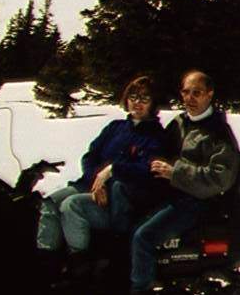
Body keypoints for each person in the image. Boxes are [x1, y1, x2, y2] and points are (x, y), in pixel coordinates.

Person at [109, 69, 240, 295]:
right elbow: (157, 150)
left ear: (210, 94)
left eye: (196, 93)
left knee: (143, 237)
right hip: (172, 194)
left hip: (198, 201)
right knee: (123, 210)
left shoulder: (217, 133)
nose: (189, 98)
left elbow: (220, 179)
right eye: (185, 92)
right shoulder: (180, 123)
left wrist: (175, 172)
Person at [36, 74, 168, 280]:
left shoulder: (156, 136)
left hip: (120, 200)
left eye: (145, 98)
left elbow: (145, 169)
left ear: (154, 103)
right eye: (133, 97)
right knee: (50, 203)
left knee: (71, 206)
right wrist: (97, 183)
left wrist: (114, 170)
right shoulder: (115, 127)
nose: (137, 103)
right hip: (91, 185)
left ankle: (79, 262)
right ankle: (47, 263)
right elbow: (90, 157)